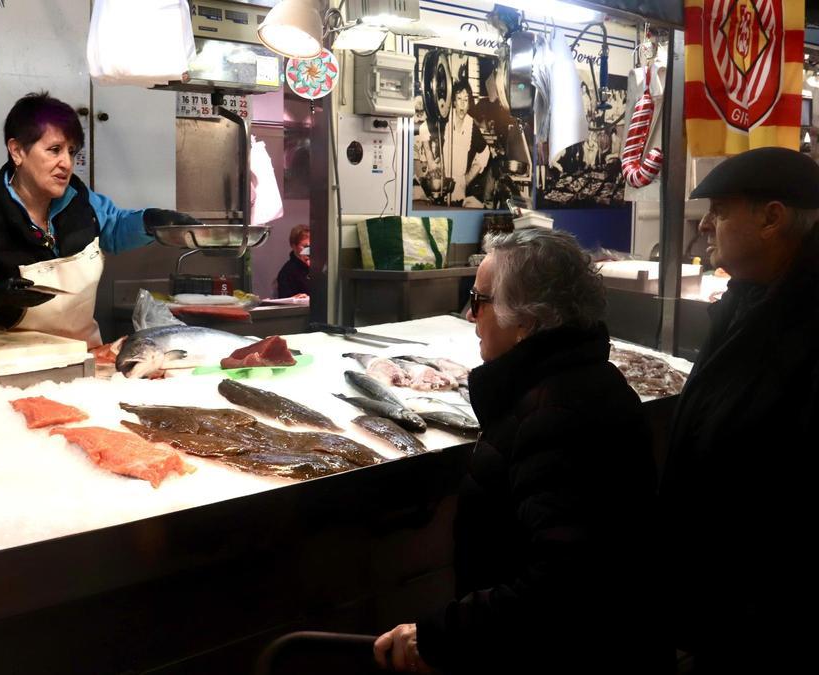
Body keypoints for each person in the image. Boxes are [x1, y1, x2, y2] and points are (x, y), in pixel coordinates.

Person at [375, 229, 668, 674]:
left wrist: (439, 636)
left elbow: (565, 585)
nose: (472, 317)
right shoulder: (586, 380)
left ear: (526, 322)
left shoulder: (557, 415)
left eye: (478, 300)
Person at [660, 147, 819, 674]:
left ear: (772, 218)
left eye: (721, 210)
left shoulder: (805, 320)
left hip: (770, 621)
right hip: (720, 606)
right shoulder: (746, 300)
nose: (706, 224)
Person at [0, 92, 195, 347]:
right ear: (17, 151)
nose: (67, 163)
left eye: (71, 151)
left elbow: (113, 227)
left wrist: (151, 221)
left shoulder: (80, 200)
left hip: (79, 354)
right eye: (54, 150)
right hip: (3, 361)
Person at [443, 81, 489, 206]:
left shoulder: (470, 125)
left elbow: (485, 152)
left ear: (469, 104)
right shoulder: (445, 120)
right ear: (453, 102)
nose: (462, 104)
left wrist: (467, 178)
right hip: (441, 184)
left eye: (466, 100)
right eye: (459, 99)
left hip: (459, 187)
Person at [274, 224, 309, 298]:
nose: (309, 250)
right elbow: (284, 302)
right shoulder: (287, 272)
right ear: (293, 246)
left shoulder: (320, 267)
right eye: (305, 246)